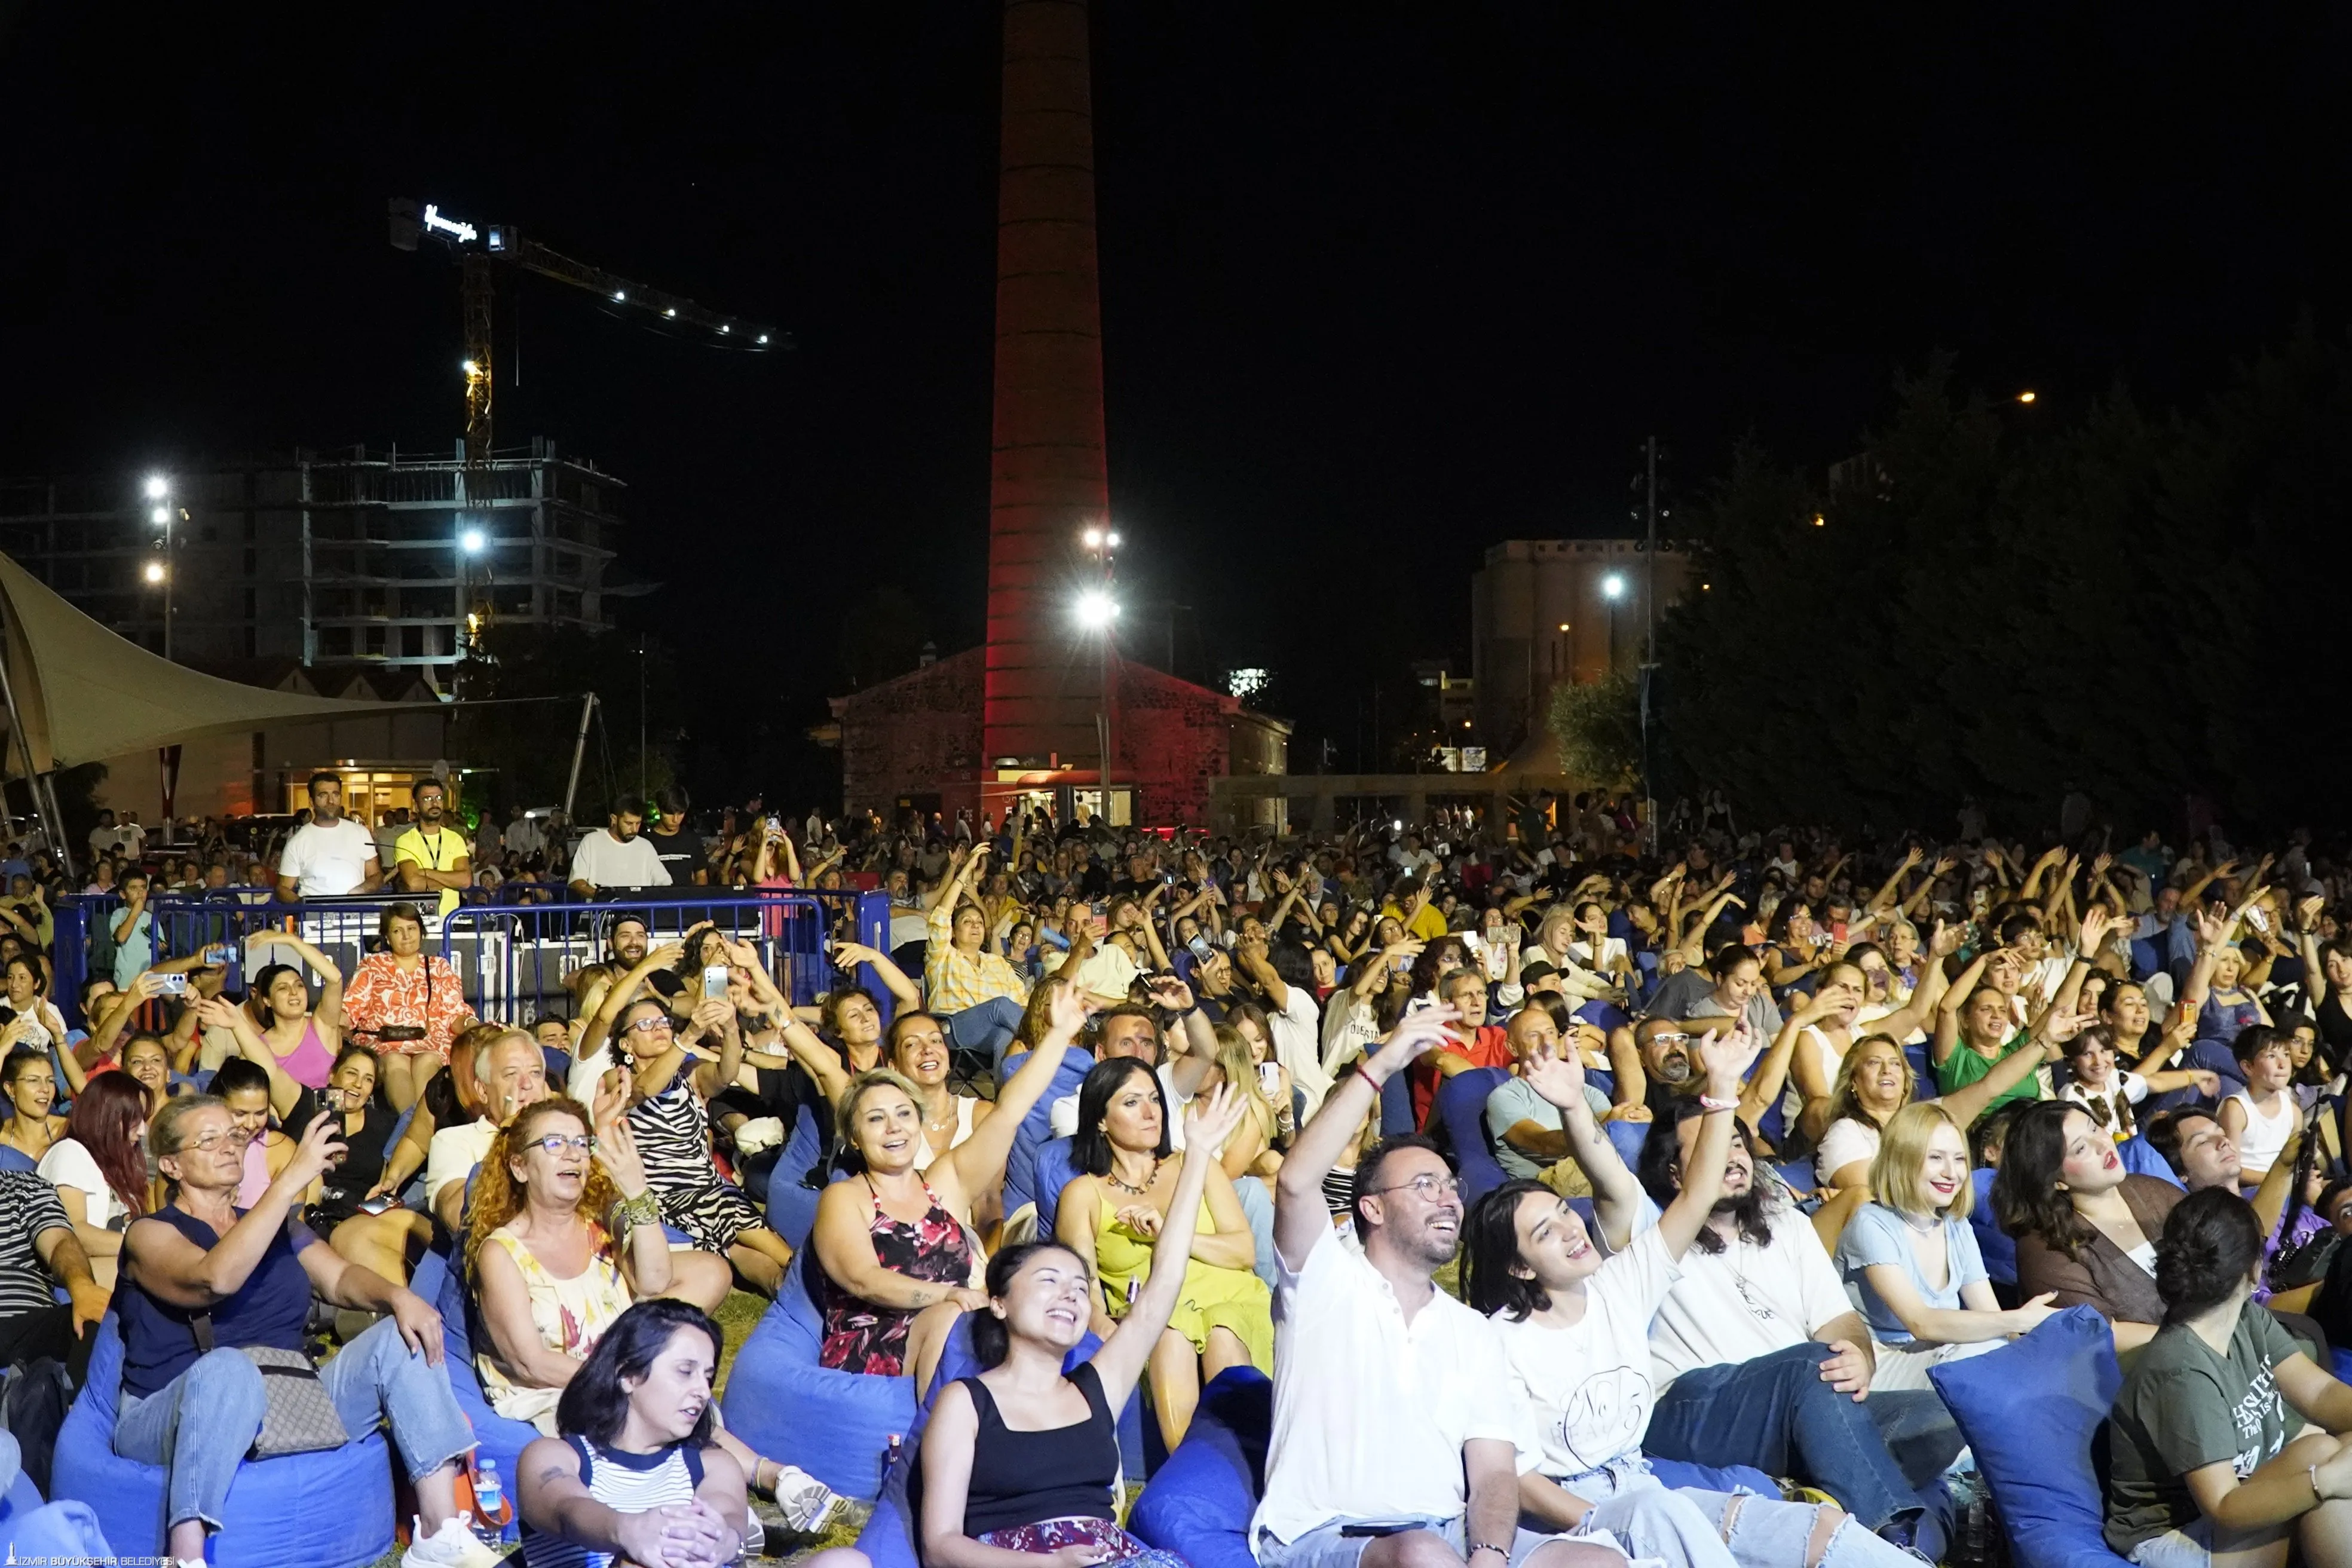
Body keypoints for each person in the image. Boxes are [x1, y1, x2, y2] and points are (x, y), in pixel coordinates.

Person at [1464, 1031, 1918, 1568]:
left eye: (1565, 1212)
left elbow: (1702, 1190)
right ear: (1519, 1266)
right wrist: (1597, 1519)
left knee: (1820, 1527)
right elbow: (1512, 1473)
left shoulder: (1619, 1289)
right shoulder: (1498, 1340)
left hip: (1645, 1479)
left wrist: (1724, 1084)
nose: (1570, 1229)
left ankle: (1912, 1549)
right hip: (1599, 1499)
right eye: (1544, 1232)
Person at [1252, 1002, 1627, 1568]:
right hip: (1330, 1533)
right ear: (1372, 1209)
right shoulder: (1326, 1283)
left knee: (1601, 1562)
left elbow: (1496, 1471)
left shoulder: (1473, 1332)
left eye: (1450, 1185)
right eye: (1424, 1185)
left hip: (1452, 1536)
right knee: (1422, 1555)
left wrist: (1491, 1554)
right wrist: (1383, 1065)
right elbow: (1297, 1181)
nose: (1449, 1197)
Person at [117, 1097, 502, 1568]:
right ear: (172, 1164)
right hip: (176, 1408)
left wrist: (398, 1298)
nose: (229, 1147)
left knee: (401, 1337)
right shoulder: (149, 1234)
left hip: (287, 1394)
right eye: (209, 1139)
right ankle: (185, 1556)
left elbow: (339, 1279)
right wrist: (289, 1182)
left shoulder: (278, 1226)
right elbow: (215, 1279)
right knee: (227, 1368)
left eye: (235, 1136)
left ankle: (439, 1534)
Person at [920, 1088, 1250, 1568]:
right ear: (999, 1303)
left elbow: (1165, 1283)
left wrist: (1197, 1154)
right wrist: (1052, 1565)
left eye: (1079, 1286)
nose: (1071, 1295)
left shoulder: (1097, 1389)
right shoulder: (966, 1402)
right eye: (1049, 1281)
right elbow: (941, 1544)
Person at [1634, 1108, 1959, 1558]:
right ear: (1674, 1173)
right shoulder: (1650, 1233)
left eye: (1736, 1142)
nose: (1732, 1156)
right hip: (1695, 1407)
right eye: (1711, 1145)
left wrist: (1859, 1357)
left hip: (1799, 1406)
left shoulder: (1788, 1224)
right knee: (1810, 1364)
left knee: (1947, 1413)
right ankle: (1894, 1545)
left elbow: (1839, 1320)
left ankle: (1811, 1483)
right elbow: (1608, 1184)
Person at [810, 980, 1081, 1391]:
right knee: (959, 1323)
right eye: (876, 1119)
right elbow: (864, 1279)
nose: (894, 1128)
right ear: (853, 1136)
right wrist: (949, 1296)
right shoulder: (845, 1197)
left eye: (903, 1114)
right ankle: (950, 1443)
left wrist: (1059, 1034)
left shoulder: (942, 1183)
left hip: (961, 1321)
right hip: (878, 1343)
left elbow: (1010, 1111)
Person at [517, 1297, 869, 1568]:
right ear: (628, 1375)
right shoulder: (556, 1457)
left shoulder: (712, 1464)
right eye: (685, 1372)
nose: (703, 1391)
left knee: (847, 1563)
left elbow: (728, 1514)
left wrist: (724, 1541)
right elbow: (567, 1508)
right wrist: (626, 1530)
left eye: (708, 1376)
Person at [2102, 1187, 2352, 1568]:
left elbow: (2318, 1393)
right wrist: (2325, 1484)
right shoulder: (2181, 1371)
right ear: (2254, 1269)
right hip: (2177, 1535)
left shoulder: (2246, 1319)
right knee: (2325, 1478)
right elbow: (2223, 1505)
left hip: (2231, 1502)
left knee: (2325, 1451)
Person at [1055, 1055, 1273, 1450]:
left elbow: (1244, 1252)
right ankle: (1189, 1477)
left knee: (1224, 1330)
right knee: (1170, 1330)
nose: (1150, 1112)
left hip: (1231, 1296)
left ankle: (1247, 1469)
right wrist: (1110, 1331)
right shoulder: (1083, 1194)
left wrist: (1169, 1235)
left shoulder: (1196, 1164)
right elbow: (1083, 1287)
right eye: (1131, 1102)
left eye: (1154, 1099)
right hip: (1160, 1310)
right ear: (1101, 1119)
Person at [1832, 1102, 2059, 1389]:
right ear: (1903, 1159)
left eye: (1960, 1159)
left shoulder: (1956, 1226)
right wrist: (2020, 1320)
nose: (1952, 1173)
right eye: (1936, 1158)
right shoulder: (1872, 1223)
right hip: (1877, 1360)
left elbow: (1990, 1315)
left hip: (1938, 1352)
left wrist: (2037, 1347)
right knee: (1977, 1354)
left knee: (2028, 1359)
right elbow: (1920, 1323)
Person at [600, 994, 792, 1293]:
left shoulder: (690, 1076)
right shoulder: (617, 1079)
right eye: (646, 1024)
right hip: (661, 1193)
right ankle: (802, 1269)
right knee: (732, 1214)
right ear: (626, 1044)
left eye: (663, 1022)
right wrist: (689, 1035)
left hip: (707, 1185)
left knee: (738, 1247)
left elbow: (726, 1074)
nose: (659, 1028)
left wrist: (730, 1030)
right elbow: (645, 1088)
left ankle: (779, 1284)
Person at [1993, 1100, 2183, 1352]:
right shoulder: (2044, 1248)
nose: (2103, 1145)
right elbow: (2104, 1334)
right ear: (2057, 1181)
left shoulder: (2149, 1190)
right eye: (2081, 1148)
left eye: (2094, 1128)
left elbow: (2220, 1240)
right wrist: (2203, 1337)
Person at [296, 1044, 435, 1287]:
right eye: (351, 1074)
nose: (358, 1085)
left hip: (366, 1208)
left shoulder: (384, 1124)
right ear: (332, 1075)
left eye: (368, 1079)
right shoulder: (309, 1110)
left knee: (403, 1223)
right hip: (319, 1211)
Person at [342, 901, 477, 1110]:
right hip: (383, 1041)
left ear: (421, 933)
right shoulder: (372, 966)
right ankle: (410, 1127)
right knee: (395, 1062)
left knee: (428, 1061)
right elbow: (350, 1010)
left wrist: (473, 1025)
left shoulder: (438, 967)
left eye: (412, 929)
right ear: (387, 937)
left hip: (430, 1041)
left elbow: (455, 1015)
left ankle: (425, 1127)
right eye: (398, 930)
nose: (406, 936)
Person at [425, 1027, 554, 1232]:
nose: (527, 1084)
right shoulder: (454, 1140)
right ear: (483, 1091)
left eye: (536, 1073)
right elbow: (457, 1216)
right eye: (511, 1074)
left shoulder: (566, 1139)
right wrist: (509, 1140)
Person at [36, 1071, 148, 1290]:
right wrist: (143, 1247)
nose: (143, 1130)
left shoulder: (120, 1166)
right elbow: (71, 1233)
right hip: (72, 1279)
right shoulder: (70, 1153)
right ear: (107, 1117)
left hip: (115, 1270)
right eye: (134, 1120)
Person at [925, 844, 1031, 1070]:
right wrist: (965, 871)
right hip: (955, 1030)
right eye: (967, 922)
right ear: (953, 931)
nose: (975, 926)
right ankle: (1053, 1049)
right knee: (1000, 1006)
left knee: (1005, 1037)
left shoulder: (997, 963)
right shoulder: (943, 957)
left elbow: (1022, 1001)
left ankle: (1005, 1097)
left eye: (979, 923)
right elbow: (941, 915)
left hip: (990, 1035)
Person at [274, 772, 384, 899]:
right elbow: (283, 888)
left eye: (336, 795)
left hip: (355, 913)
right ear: (311, 802)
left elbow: (376, 875)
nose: (331, 801)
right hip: (317, 917)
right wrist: (303, 907)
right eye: (323, 795)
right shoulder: (298, 842)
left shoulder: (361, 833)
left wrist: (361, 890)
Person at [2223, 1028, 2301, 1186]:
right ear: (2248, 1067)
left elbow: (2294, 1161)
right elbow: (2230, 1168)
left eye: (2286, 1055)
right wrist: (2278, 1181)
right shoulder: (2236, 1109)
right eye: (2271, 1056)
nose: (2283, 1064)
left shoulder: (2293, 1112)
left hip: (2282, 1189)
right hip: (2248, 1192)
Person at [393, 777, 473, 917]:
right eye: (427, 799)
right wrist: (452, 881)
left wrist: (426, 872)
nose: (435, 803)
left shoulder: (455, 839)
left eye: (439, 798)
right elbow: (414, 884)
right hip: (418, 921)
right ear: (417, 807)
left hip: (451, 920)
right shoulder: (405, 841)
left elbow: (465, 880)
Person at [568, 800, 672, 896]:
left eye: (638, 823)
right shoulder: (591, 841)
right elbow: (577, 881)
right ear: (614, 819)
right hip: (601, 914)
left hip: (638, 913)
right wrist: (603, 898)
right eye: (629, 823)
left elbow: (664, 881)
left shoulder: (646, 846)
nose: (634, 829)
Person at [0, 1047, 68, 1167]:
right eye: (33, 1081)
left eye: (50, 1081)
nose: (45, 1089)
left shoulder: (67, 1132)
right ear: (10, 1089)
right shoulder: (2, 1137)